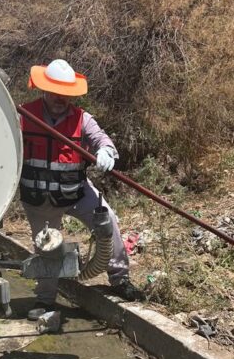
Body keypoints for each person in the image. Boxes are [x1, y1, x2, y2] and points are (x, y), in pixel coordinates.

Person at [19, 58, 142, 315]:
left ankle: (120, 279)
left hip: (75, 191)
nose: (60, 98)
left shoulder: (82, 119)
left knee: (108, 220)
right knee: (46, 248)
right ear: (45, 90)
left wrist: (106, 151)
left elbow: (101, 139)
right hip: (40, 199)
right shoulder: (23, 116)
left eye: (66, 93)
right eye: (56, 92)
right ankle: (45, 300)